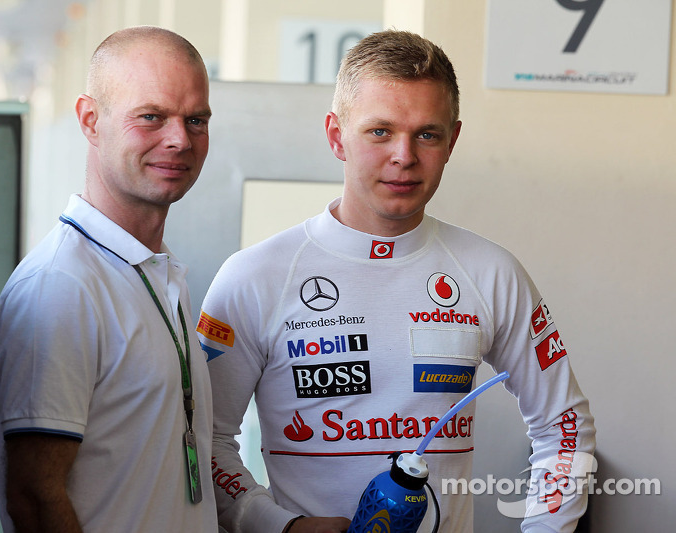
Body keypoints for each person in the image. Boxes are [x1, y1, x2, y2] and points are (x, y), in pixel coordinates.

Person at [198, 30, 595, 533]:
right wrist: (279, 526)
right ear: (336, 135)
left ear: (452, 141)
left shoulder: (491, 271)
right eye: (380, 131)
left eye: (426, 134)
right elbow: (202, 440)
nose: (404, 156)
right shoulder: (253, 277)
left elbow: (565, 425)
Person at [0, 26, 217, 532]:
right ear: (91, 120)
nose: (179, 139)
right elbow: (34, 498)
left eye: (195, 119)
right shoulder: (63, 286)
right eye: (151, 117)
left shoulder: (154, 273)